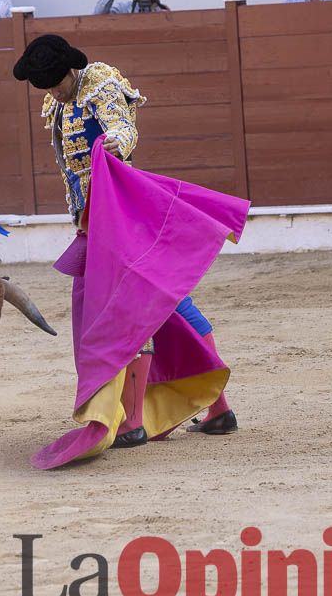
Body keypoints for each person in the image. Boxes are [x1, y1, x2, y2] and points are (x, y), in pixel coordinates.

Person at [13, 35, 240, 464]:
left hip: (120, 216)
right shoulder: (58, 103)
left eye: (55, 83)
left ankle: (133, 423)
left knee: (127, 309)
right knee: (168, 303)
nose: (52, 92)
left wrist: (118, 142)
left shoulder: (99, 82)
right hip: (94, 220)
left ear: (70, 70)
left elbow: (122, 124)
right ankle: (218, 408)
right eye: (44, 86)